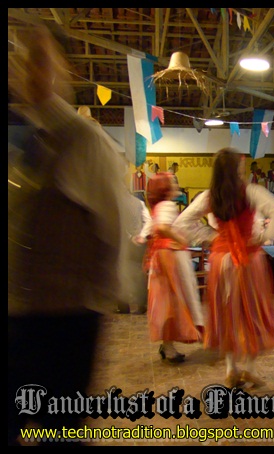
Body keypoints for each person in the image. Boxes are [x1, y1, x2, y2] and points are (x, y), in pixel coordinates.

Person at [8, 24, 133, 446]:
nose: (27, 68)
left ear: (66, 70)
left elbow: (117, 225)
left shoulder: (84, 141)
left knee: (59, 433)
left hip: (66, 317)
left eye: (39, 57)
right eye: (20, 58)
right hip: (19, 310)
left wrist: (98, 301)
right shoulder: (23, 137)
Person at [173, 147, 274, 389]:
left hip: (220, 260)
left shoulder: (210, 196)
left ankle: (230, 369)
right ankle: (249, 369)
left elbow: (182, 222)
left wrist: (212, 237)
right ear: (237, 168)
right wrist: (264, 237)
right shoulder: (251, 192)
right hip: (247, 259)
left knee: (227, 313)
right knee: (251, 313)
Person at [144, 172, 205, 362]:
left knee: (168, 302)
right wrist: (180, 238)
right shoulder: (167, 206)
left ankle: (168, 345)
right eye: (172, 183)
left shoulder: (158, 207)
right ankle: (170, 346)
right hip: (169, 257)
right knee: (174, 301)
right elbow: (162, 228)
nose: (175, 186)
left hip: (164, 256)